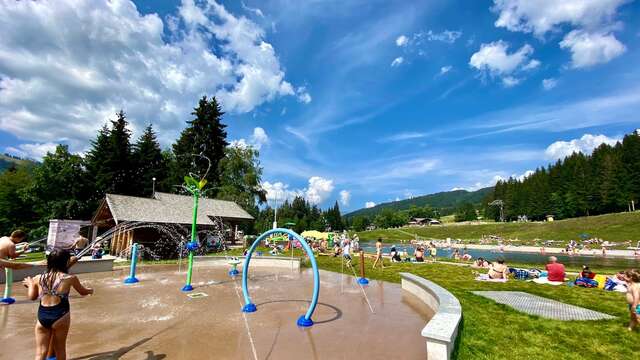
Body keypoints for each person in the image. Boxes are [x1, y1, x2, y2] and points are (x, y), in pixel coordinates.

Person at [22, 249, 94, 360]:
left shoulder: (38, 278)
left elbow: (32, 297)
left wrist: (31, 284)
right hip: (61, 316)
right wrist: (90, 290)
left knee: (40, 352)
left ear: (48, 262)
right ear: (66, 262)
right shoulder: (70, 278)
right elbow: (82, 292)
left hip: (42, 317)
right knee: (60, 349)